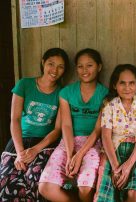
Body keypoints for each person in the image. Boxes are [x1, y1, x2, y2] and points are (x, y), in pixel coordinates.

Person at [38, 48, 109, 201]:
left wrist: (80, 154)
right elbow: (67, 126)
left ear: (99, 67)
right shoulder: (66, 93)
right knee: (45, 188)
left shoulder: (106, 94)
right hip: (68, 142)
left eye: (89, 65)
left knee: (85, 188)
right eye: (80, 66)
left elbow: (98, 130)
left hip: (93, 143)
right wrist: (71, 155)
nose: (84, 70)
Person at [0, 48, 69, 201]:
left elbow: (57, 129)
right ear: (43, 62)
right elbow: (15, 120)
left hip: (45, 143)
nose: (55, 70)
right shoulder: (24, 84)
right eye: (51, 64)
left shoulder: (63, 93)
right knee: (7, 185)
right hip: (19, 142)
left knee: (35, 182)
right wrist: (20, 153)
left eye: (60, 66)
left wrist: (36, 150)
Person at [95, 64, 136, 202]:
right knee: (105, 194)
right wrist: (115, 167)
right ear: (115, 85)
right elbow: (106, 136)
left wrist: (128, 166)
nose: (127, 87)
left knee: (134, 193)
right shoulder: (109, 104)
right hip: (113, 151)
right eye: (122, 83)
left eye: (132, 83)